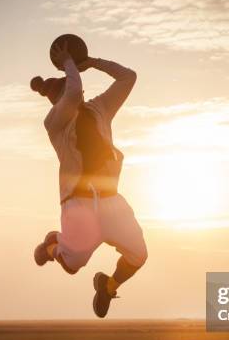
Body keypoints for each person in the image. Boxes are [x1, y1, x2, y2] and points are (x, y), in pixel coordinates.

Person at [30, 41, 147, 318]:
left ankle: (107, 285)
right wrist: (68, 61)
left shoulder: (99, 109)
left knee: (138, 255)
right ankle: (52, 244)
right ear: (57, 101)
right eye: (70, 90)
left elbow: (128, 77)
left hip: (112, 201)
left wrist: (92, 61)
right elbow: (71, 94)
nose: (77, 94)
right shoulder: (55, 123)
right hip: (79, 204)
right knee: (72, 266)